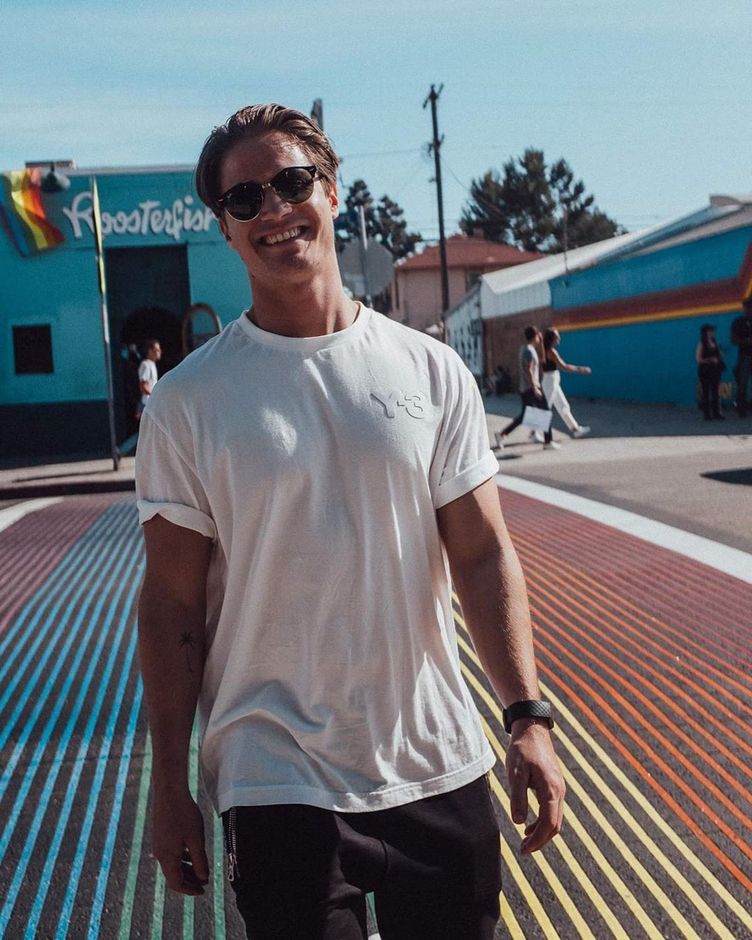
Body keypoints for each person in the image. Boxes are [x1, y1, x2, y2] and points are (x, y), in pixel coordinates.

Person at [135, 103, 564, 940]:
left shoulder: (431, 371)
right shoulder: (188, 402)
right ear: (224, 228)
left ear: (332, 192)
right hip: (273, 778)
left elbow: (482, 556)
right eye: (245, 198)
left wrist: (527, 718)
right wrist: (168, 785)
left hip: (435, 761)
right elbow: (172, 603)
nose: (274, 209)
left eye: (292, 182)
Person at [495, 326, 557, 450]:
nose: (540, 338)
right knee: (546, 411)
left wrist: (541, 345)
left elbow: (542, 361)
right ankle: (548, 441)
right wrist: (535, 388)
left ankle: (501, 434)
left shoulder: (525, 349)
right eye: (538, 336)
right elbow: (529, 370)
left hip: (526, 388)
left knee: (524, 416)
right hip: (531, 387)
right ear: (535, 336)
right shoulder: (529, 351)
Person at [541, 329, 591, 437]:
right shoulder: (551, 351)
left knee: (563, 405)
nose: (559, 338)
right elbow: (564, 366)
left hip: (552, 380)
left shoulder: (544, 350)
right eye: (557, 336)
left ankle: (575, 429)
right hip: (550, 380)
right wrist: (580, 369)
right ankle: (534, 432)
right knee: (544, 408)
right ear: (551, 338)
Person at [695, 323, 725, 421]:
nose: (712, 333)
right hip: (705, 370)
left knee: (715, 392)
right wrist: (710, 359)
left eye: (713, 331)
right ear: (705, 333)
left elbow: (720, 355)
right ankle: (707, 414)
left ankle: (716, 413)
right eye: (710, 331)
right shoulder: (701, 344)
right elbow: (698, 359)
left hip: (715, 370)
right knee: (706, 392)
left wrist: (720, 356)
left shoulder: (715, 342)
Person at [730, 298, 752, 417]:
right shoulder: (738, 322)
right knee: (742, 383)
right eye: (747, 307)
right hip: (745, 356)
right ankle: (741, 407)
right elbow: (733, 340)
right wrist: (746, 341)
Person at [136, 338, 161, 420]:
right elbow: (143, 386)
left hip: (152, 404)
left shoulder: (152, 364)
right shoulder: (145, 365)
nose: (159, 352)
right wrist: (155, 396)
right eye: (156, 350)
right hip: (147, 404)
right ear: (150, 351)